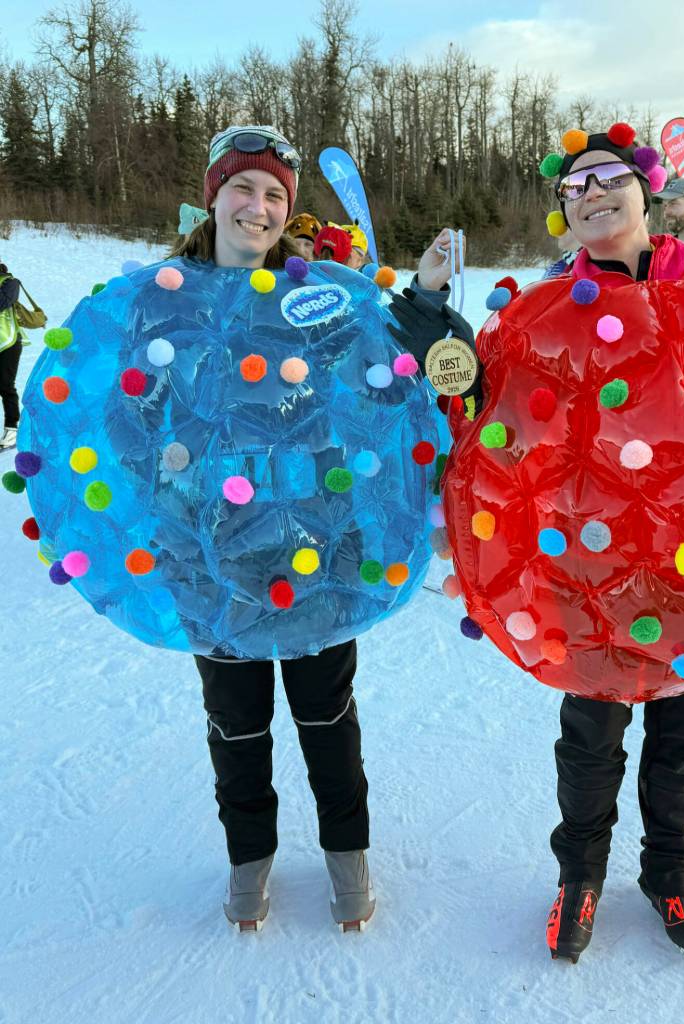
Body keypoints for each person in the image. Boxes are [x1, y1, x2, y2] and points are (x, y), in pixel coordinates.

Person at [390, 128, 684, 965]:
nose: (594, 193)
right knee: (591, 735)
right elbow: (477, 400)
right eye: (577, 186)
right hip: (591, 564)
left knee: (683, 735)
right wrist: (428, 311)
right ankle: (581, 876)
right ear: (563, 212)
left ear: (648, 194)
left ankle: (668, 871)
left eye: (611, 178)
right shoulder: (544, 311)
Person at [168, 125, 375, 934]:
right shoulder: (166, 300)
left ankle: (347, 855)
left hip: (315, 549)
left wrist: (417, 309)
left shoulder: (310, 298)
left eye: (275, 197)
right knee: (237, 723)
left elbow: (372, 394)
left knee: (328, 718)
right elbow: (122, 418)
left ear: (288, 214)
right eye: (244, 190)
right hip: (211, 559)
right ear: (214, 195)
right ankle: (249, 858)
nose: (257, 208)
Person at [0, 263, 23, 450]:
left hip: (8, 342)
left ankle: (12, 430)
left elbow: (1, 303)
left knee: (5, 385)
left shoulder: (10, 282)